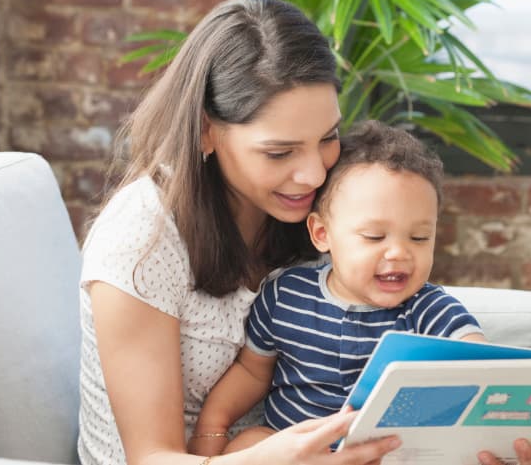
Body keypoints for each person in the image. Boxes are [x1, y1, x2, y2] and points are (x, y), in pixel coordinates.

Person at [77, 0, 531, 465]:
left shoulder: (320, 204)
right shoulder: (142, 237)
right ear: (206, 131)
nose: (313, 174)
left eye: (328, 137)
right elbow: (150, 458)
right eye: (279, 152)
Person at [188, 120, 487, 456]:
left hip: (381, 455)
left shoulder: (429, 310)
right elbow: (251, 372)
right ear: (322, 234)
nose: (399, 253)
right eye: (374, 236)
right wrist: (211, 428)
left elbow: (483, 363)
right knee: (248, 443)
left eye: (419, 238)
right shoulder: (285, 295)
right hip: (294, 453)